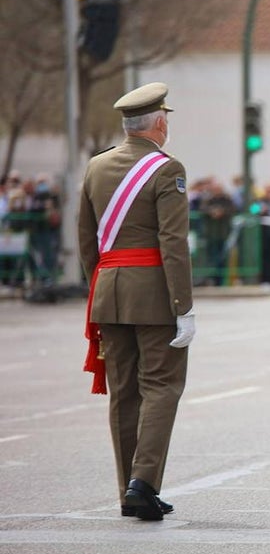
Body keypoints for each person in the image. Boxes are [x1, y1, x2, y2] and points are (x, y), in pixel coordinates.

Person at [77, 82, 195, 521]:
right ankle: (143, 483)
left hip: (108, 291)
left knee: (123, 394)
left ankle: (128, 487)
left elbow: (87, 241)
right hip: (154, 296)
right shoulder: (167, 169)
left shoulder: (96, 166)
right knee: (162, 387)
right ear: (159, 124)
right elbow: (173, 243)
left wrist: (102, 288)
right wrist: (183, 305)